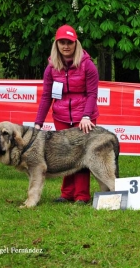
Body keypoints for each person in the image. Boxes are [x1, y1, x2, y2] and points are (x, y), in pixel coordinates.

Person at [34, 24, 99, 205]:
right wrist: (38, 122)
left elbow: (92, 94)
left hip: (84, 118)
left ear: (75, 43)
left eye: (69, 42)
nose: (66, 46)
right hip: (61, 117)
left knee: (82, 155)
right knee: (66, 155)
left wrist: (86, 116)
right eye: (62, 42)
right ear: (56, 44)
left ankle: (82, 196)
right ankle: (67, 193)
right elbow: (47, 96)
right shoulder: (51, 68)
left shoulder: (88, 65)